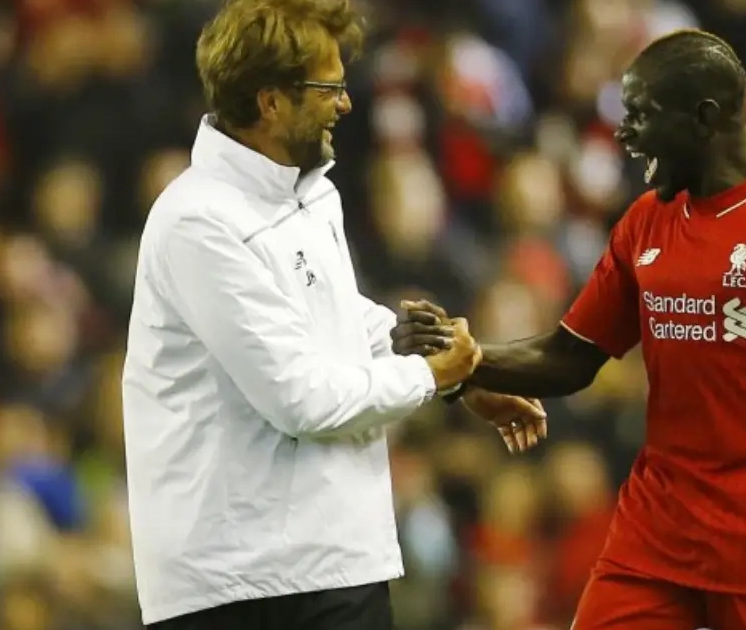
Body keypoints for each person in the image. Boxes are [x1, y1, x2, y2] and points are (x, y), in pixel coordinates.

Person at [392, 29, 746, 630]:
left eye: (642, 116)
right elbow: (570, 357)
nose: (625, 135)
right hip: (656, 543)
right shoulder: (645, 223)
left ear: (705, 117)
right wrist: (467, 358)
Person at [120, 1, 546, 628]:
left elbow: (341, 322)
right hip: (238, 585)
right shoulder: (197, 220)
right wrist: (430, 377)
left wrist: (463, 378)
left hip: (338, 562)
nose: (346, 104)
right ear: (270, 101)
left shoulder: (314, 195)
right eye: (329, 88)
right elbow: (299, 398)